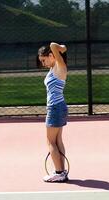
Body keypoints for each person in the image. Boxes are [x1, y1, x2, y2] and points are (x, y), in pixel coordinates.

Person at [37, 42, 68, 182]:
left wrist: (61, 48)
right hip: (58, 106)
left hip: (55, 107)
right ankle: (62, 172)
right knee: (57, 140)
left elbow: (53, 45)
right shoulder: (53, 69)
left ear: (51, 55)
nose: (43, 64)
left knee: (51, 142)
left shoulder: (59, 67)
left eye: (44, 60)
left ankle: (59, 172)